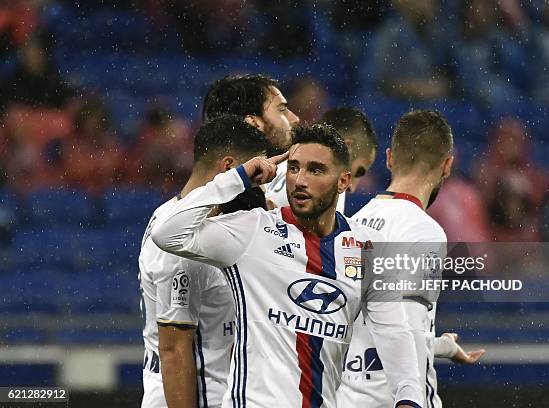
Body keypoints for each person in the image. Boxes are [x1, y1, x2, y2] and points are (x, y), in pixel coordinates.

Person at [151, 124, 425, 408]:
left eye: (315, 170)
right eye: (294, 168)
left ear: (343, 182)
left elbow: (394, 331)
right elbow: (167, 233)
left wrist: (409, 398)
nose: (300, 180)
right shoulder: (252, 231)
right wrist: (239, 177)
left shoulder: (370, 246)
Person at [337, 110, 485, 408]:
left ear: (390, 158)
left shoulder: (352, 223)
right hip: (398, 398)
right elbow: (408, 330)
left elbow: (378, 320)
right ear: (447, 166)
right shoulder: (424, 232)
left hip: (351, 395)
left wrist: (443, 345)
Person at [139, 114, 269, 408]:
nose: (259, 185)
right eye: (254, 174)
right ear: (229, 169)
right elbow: (173, 350)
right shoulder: (180, 244)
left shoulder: (183, 219)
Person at [202, 73, 300, 208]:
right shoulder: (299, 194)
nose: (294, 118)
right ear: (253, 122)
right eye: (282, 110)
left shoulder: (188, 207)